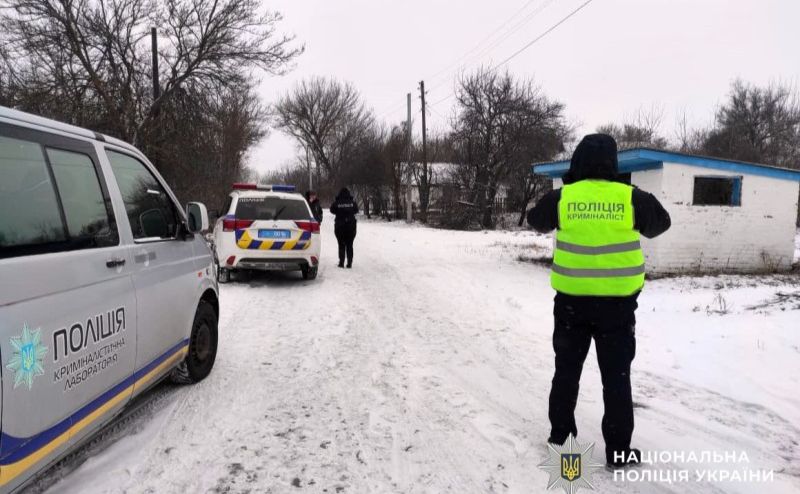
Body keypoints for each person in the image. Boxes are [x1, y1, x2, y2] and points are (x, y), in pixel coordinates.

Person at [527, 134, 671, 469]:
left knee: (566, 374)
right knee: (616, 379)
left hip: (571, 307)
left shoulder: (563, 198)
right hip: (617, 310)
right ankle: (619, 452)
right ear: (613, 164)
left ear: (577, 162)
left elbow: (536, 221)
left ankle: (562, 442)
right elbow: (661, 224)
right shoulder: (631, 198)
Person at [329, 187, 359, 268]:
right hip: (351, 227)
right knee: (350, 245)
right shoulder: (352, 203)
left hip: (340, 227)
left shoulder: (337, 202)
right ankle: (349, 263)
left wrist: (339, 212)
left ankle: (341, 262)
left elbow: (331, 210)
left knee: (341, 244)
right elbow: (356, 210)